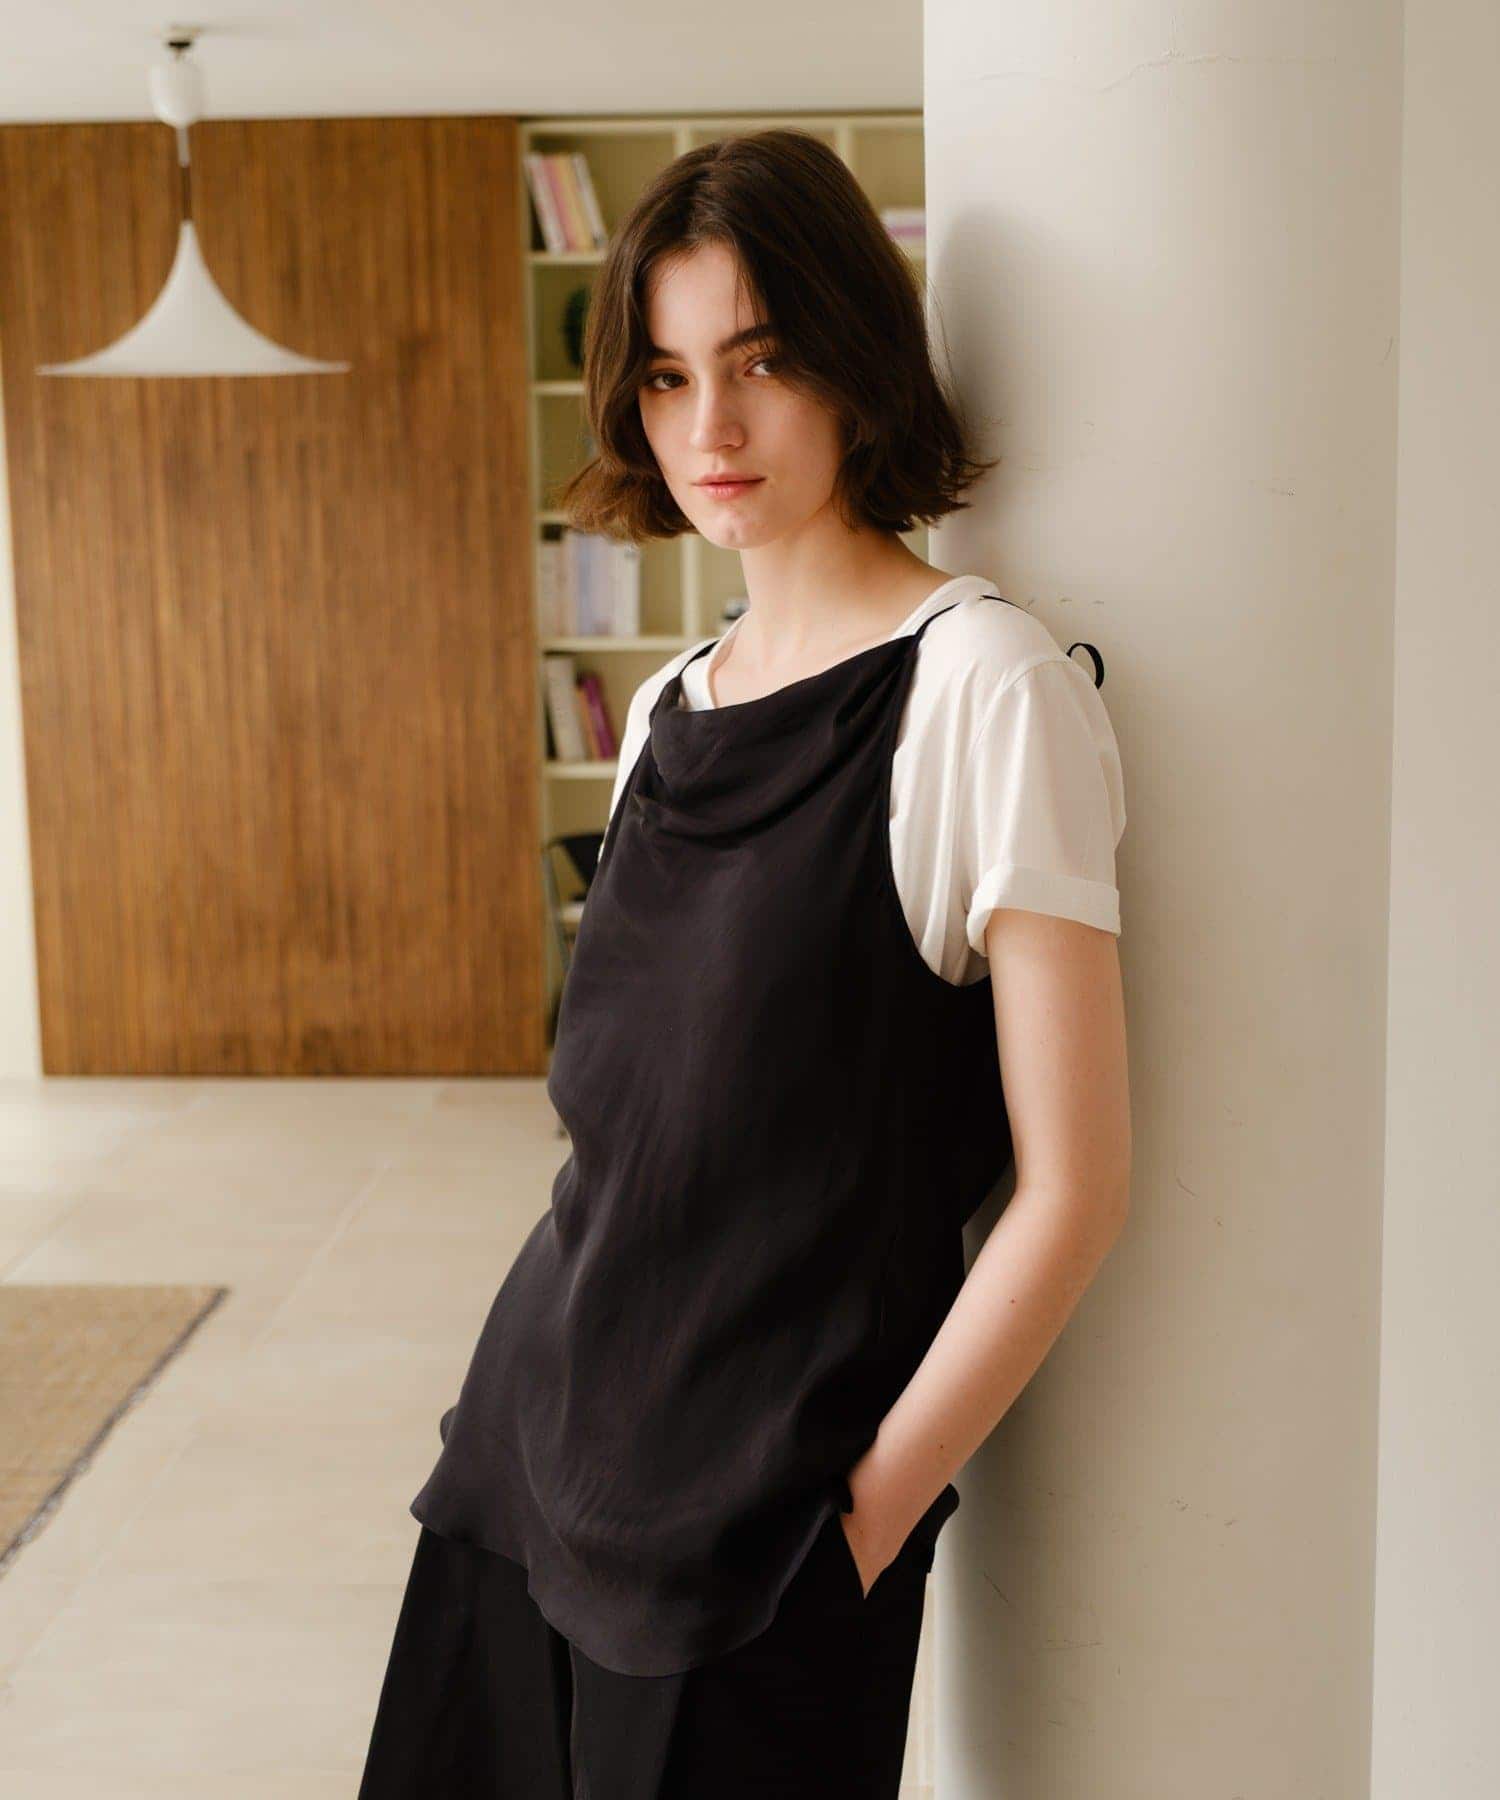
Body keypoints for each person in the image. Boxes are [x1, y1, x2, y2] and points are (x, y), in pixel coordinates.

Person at [356, 127, 1132, 1800]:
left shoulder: (982, 691)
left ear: (856, 363)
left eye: (762, 362)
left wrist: (864, 1523)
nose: (711, 426)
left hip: (752, 1547)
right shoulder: (663, 709)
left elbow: (1076, 1187)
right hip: (524, 1462)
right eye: (666, 374)